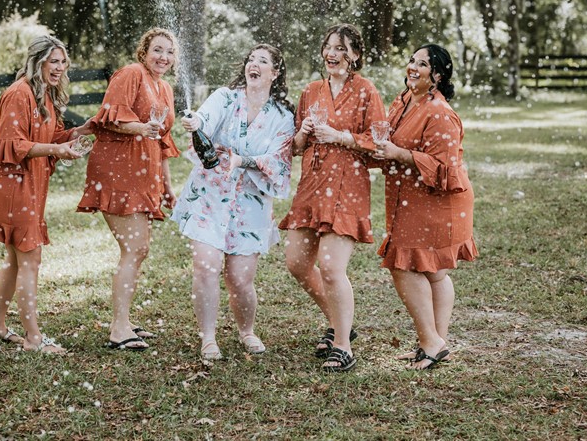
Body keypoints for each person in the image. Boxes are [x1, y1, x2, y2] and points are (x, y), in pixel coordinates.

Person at [171, 44, 296, 361]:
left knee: (240, 280)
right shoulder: (225, 97)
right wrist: (197, 123)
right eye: (251, 59)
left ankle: (246, 331)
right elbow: (205, 118)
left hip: (251, 204)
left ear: (275, 73)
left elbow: (278, 161)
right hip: (210, 196)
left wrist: (243, 161)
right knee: (205, 267)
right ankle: (208, 338)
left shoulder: (283, 117)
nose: (254, 64)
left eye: (263, 61)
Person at [0, 35, 87, 354]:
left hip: (29, 183)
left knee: (14, 259)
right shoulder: (19, 93)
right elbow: (12, 144)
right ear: (38, 61)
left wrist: (80, 133)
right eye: (53, 61)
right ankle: (34, 339)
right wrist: (55, 148)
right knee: (30, 259)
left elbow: (52, 135)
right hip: (12, 183)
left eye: (63, 62)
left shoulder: (46, 94)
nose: (59, 68)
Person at [279, 24, 386, 373]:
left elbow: (378, 143)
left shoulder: (367, 92)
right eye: (328, 47)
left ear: (355, 55)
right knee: (296, 262)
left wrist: (341, 136)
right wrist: (302, 134)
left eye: (341, 48)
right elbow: (294, 148)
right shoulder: (311, 91)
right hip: (312, 184)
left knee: (331, 267)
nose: (332, 54)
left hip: (346, 185)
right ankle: (339, 322)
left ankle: (343, 347)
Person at [373, 44, 478, 370]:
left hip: (439, 200)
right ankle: (434, 344)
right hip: (413, 197)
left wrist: (397, 154)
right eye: (411, 61)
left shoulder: (440, 114)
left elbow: (444, 169)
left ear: (438, 75)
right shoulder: (405, 100)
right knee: (433, 272)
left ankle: (431, 341)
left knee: (404, 265)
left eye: (422, 64)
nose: (412, 67)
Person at [77, 28, 181, 351]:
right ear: (144, 51)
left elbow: (162, 141)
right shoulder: (131, 74)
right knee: (134, 249)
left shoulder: (164, 88)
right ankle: (119, 328)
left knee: (140, 249)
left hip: (144, 175)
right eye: (157, 50)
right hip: (119, 170)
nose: (163, 57)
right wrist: (140, 127)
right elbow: (108, 118)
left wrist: (166, 184)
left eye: (169, 52)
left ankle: (124, 319)